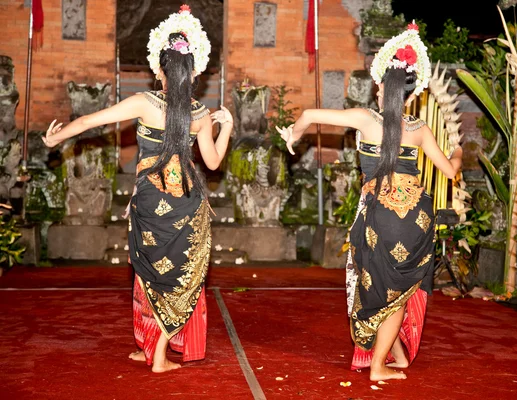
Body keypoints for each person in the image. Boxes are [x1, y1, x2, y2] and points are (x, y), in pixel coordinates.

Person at [43, 5, 233, 373]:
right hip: (186, 204)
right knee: (173, 274)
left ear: (158, 70)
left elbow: (88, 121)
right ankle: (153, 348)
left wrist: (55, 139)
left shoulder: (142, 103)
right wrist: (226, 127)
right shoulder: (200, 115)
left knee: (149, 271)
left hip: (150, 201)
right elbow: (212, 163)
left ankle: (158, 356)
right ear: (193, 72)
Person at [277, 22, 462, 381]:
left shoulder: (363, 119)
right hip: (415, 220)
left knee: (377, 283)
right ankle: (391, 355)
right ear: (412, 94)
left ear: (380, 88)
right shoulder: (419, 130)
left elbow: (310, 115)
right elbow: (450, 172)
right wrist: (457, 152)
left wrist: (293, 135)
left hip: (378, 217)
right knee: (400, 289)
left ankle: (378, 366)